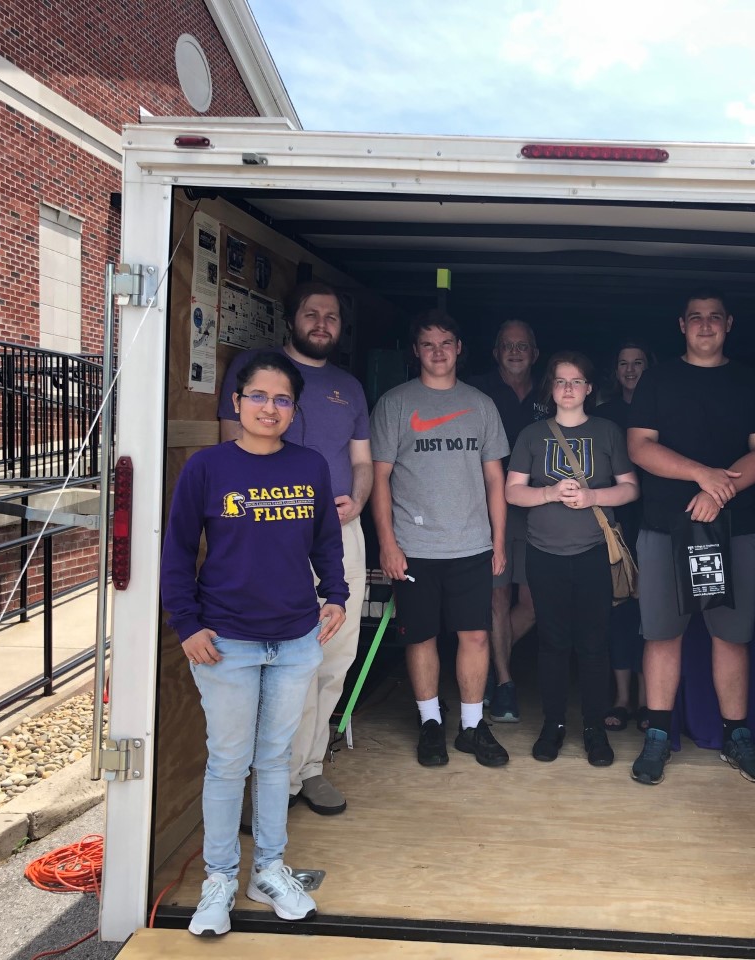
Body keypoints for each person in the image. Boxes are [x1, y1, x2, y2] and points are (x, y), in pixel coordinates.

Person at [163, 352, 348, 935]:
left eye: (283, 399)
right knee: (227, 762)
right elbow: (176, 550)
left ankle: (268, 868)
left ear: (295, 410)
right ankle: (218, 878)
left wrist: (337, 593)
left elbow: (325, 540)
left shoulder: (311, 465)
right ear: (237, 403)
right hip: (227, 643)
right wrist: (186, 624)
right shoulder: (207, 468)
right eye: (259, 397)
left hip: (294, 639)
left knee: (274, 760)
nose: (270, 408)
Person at [218, 282, 371, 818]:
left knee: (335, 653)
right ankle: (270, 782)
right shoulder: (258, 376)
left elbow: (363, 463)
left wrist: (357, 501)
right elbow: (228, 453)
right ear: (292, 319)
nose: (322, 323)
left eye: (331, 316)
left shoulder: (350, 387)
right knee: (280, 660)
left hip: (339, 533)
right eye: (312, 314)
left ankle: (309, 768)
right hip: (275, 535)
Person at [626, 291, 755, 786]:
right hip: (665, 528)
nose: (706, 326)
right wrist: (703, 476)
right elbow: (640, 447)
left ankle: (736, 735)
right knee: (662, 634)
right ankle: (657, 735)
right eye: (696, 318)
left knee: (731, 636)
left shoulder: (752, 381)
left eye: (715, 318)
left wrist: (722, 490)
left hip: (735, 529)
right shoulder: (658, 378)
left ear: (729, 324)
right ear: (682, 325)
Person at [370, 310, 511, 768]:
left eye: (446, 343)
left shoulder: (481, 404)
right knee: (421, 637)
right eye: (428, 344)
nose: (437, 352)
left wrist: (500, 541)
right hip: (415, 547)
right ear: (415, 351)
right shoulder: (394, 404)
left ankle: (472, 726)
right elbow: (380, 480)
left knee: (475, 635)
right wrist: (388, 544)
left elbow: (496, 480)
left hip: (471, 543)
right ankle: (430, 722)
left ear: (459, 348)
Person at [506, 351, 639, 765]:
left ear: (589, 388)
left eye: (576, 381)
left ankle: (595, 729)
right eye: (560, 381)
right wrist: (547, 493)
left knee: (594, 645)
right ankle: (553, 724)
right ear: (552, 387)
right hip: (543, 553)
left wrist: (591, 497)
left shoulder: (608, 431)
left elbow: (631, 487)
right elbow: (512, 491)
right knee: (553, 644)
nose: (567, 388)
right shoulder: (531, 435)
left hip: (594, 554)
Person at [468, 321, 547, 723]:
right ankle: (503, 684)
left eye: (523, 346)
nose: (515, 352)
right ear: (496, 352)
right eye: (507, 346)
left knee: (532, 604)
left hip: (541, 510)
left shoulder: (550, 391)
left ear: (534, 353)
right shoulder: (475, 390)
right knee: (497, 598)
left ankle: (476, 663)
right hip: (487, 508)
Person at [593, 341, 654, 730]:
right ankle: (620, 699)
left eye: (638, 363)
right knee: (618, 610)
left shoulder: (665, 407)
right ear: (614, 371)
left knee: (654, 613)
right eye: (623, 363)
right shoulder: (604, 415)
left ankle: (649, 702)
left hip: (657, 521)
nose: (630, 370)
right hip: (613, 523)